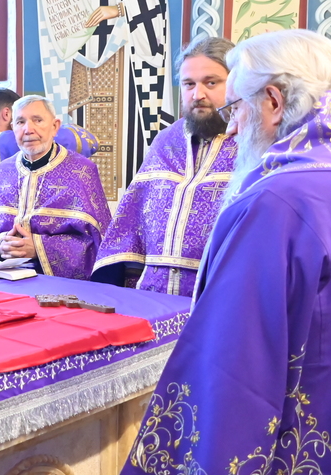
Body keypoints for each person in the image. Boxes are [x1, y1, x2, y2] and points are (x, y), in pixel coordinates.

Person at [121, 29, 331, 475]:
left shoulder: (277, 202)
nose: (233, 126)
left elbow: (235, 371)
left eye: (236, 106)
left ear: (273, 102)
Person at [28, 0, 172, 200]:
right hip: (86, 47)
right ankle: (87, 199)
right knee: (85, 122)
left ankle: (128, 199)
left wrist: (117, 9)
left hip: (126, 44)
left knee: (128, 126)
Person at [92, 36, 237, 295]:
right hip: (153, 294)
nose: (198, 95)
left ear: (237, 82)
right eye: (189, 84)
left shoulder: (252, 142)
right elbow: (132, 222)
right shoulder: (166, 141)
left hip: (217, 293)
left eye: (211, 83)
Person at [0, 95, 110, 278]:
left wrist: (39, 248)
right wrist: (1, 245)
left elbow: (100, 245)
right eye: (20, 122)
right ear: (12, 127)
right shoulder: (2, 171)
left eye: (37, 120)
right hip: (4, 281)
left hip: (58, 285)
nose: (28, 130)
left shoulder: (82, 171)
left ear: (55, 126)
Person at [0, 87, 99, 204]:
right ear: (7, 114)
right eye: (21, 119)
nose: (29, 129)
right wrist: (48, 126)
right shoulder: (2, 141)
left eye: (36, 120)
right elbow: (88, 141)